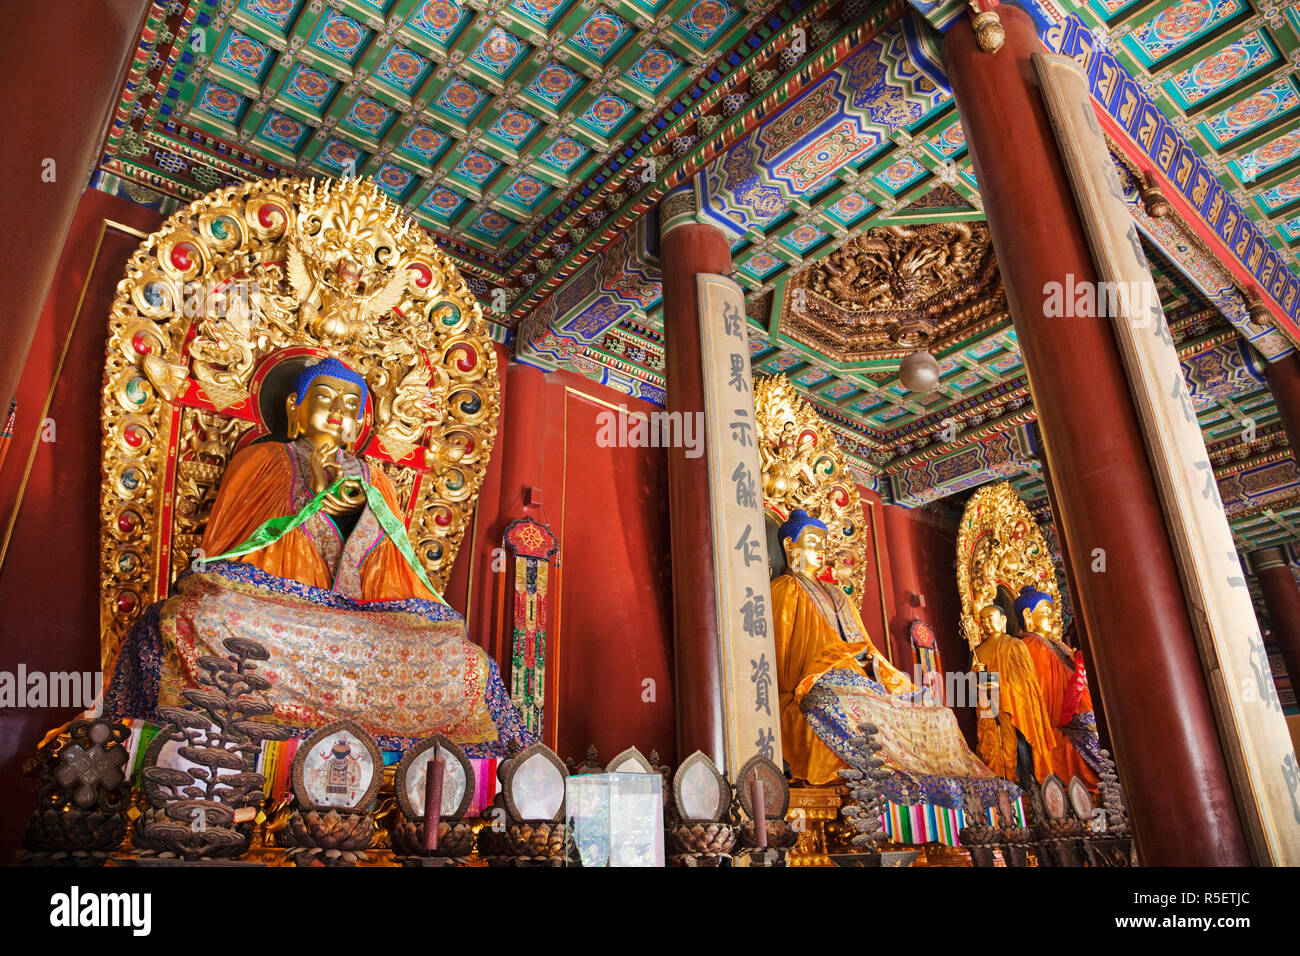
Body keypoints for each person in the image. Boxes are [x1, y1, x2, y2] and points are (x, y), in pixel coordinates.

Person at [105, 356, 530, 754]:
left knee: (464, 661)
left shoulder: (377, 480)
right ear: (295, 407)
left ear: (359, 421)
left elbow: (396, 568)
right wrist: (308, 498)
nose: (337, 409)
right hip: (276, 612)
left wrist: (360, 513)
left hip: (358, 625)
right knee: (206, 617)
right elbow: (230, 546)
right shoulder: (266, 458)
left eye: (350, 403)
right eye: (324, 397)